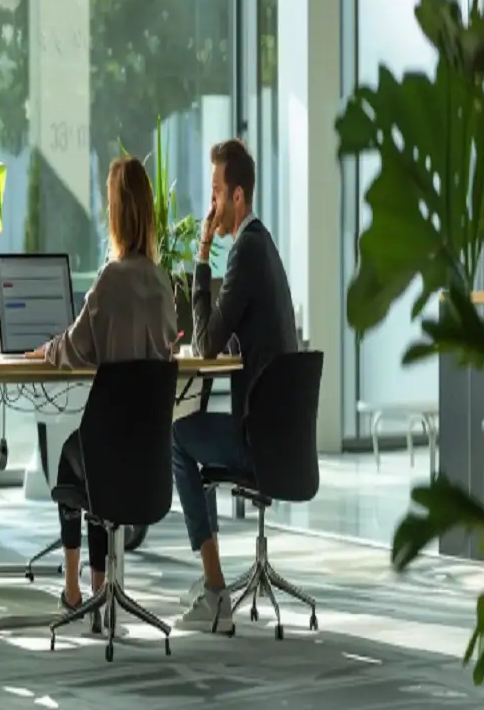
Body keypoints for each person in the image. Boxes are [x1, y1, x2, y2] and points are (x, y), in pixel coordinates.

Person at [28, 156, 176, 628]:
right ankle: (99, 592)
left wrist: (41, 352)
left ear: (116, 212)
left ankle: (77, 590)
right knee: (93, 453)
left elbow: (74, 348)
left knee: (74, 456)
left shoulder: (111, 280)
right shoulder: (164, 283)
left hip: (108, 452)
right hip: (149, 456)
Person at [173, 139, 298, 633]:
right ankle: (213, 577)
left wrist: (202, 255)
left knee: (179, 437)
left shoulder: (243, 252)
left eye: (216, 193)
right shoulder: (264, 245)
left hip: (260, 440)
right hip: (281, 434)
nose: (211, 206)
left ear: (238, 197)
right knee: (193, 430)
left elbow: (203, 345)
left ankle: (214, 588)